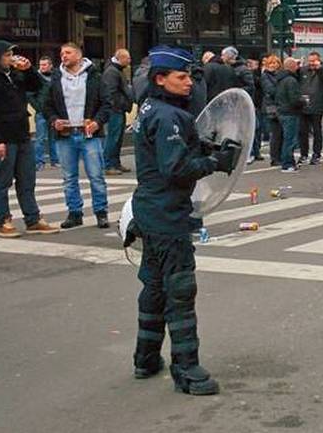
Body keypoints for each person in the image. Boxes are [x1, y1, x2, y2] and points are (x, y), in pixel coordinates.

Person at [129, 45, 239, 395]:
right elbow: (176, 169)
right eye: (181, 77)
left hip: (149, 209)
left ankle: (145, 358)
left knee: (155, 286)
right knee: (179, 290)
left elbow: (169, 152)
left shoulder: (151, 107)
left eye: (190, 75)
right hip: (167, 212)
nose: (189, 82)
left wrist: (204, 147)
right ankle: (187, 371)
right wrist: (215, 162)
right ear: (161, 79)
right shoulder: (167, 116)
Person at [0, 40, 60, 237]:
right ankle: (3, 220)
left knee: (27, 179)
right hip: (2, 137)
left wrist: (29, 70)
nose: (11, 58)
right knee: (2, 181)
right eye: (7, 54)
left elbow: (38, 86)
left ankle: (33, 219)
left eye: (11, 54)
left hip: (21, 135)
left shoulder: (14, 75)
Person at [44, 42, 112, 229]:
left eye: (68, 52)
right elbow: (46, 105)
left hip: (89, 133)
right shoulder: (56, 78)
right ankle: (75, 213)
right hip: (65, 134)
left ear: (79, 55)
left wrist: (97, 121)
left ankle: (101, 212)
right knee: (69, 177)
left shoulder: (94, 77)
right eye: (61, 53)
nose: (63, 56)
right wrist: (54, 120)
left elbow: (107, 103)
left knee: (96, 175)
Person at [102, 48, 134, 174]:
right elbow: (110, 93)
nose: (130, 60)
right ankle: (109, 165)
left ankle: (115, 163)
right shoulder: (112, 72)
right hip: (115, 110)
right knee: (113, 138)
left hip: (119, 109)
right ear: (120, 58)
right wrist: (119, 104)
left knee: (118, 138)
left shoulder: (117, 70)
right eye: (127, 58)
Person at [298, 52, 323, 165]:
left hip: (317, 105)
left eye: (314, 61)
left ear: (319, 60)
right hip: (303, 105)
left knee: (317, 131)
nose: (312, 63)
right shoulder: (303, 70)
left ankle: (316, 154)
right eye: (310, 61)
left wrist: (320, 69)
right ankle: (304, 154)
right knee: (302, 132)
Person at [274, 57, 304, 173]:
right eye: (296, 65)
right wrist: (303, 101)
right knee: (290, 139)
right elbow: (294, 99)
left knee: (287, 138)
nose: (298, 67)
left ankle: (287, 161)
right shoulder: (291, 80)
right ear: (292, 66)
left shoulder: (280, 79)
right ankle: (287, 164)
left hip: (282, 111)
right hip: (290, 112)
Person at [30, 56, 59, 169]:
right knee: (40, 138)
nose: (42, 67)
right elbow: (30, 95)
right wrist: (38, 107)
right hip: (41, 113)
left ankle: (55, 161)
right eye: (40, 65)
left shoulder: (55, 77)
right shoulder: (35, 78)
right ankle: (39, 162)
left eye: (44, 65)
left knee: (53, 137)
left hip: (53, 113)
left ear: (50, 66)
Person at [260, 55, 282, 166]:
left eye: (275, 63)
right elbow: (270, 90)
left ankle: (280, 156)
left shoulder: (280, 75)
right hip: (271, 106)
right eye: (271, 63)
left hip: (280, 105)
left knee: (281, 133)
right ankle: (275, 157)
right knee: (276, 133)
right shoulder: (265, 76)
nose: (273, 65)